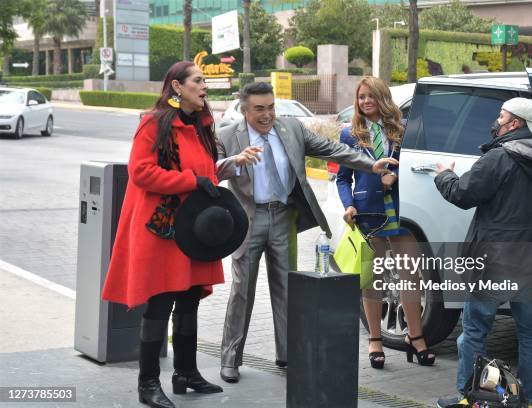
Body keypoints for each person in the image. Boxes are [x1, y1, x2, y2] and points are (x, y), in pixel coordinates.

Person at [216, 81, 398, 383]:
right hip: (249, 218)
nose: (267, 114)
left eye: (271, 107)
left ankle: (289, 354)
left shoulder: (291, 129)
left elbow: (334, 149)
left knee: (288, 289)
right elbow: (209, 169)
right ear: (245, 110)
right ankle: (230, 359)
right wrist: (234, 162)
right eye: (259, 109)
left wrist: (371, 165)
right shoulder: (227, 135)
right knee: (242, 290)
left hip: (283, 216)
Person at [102, 61, 227, 408]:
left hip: (194, 227)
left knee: (189, 299)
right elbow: (141, 172)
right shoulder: (154, 123)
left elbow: (206, 169)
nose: (204, 87)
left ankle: (186, 372)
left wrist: (213, 179)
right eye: (198, 81)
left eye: (204, 81)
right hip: (163, 226)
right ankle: (147, 384)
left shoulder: (201, 124)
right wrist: (192, 181)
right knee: (161, 302)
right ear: (177, 86)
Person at [434, 98, 532, 408]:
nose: (496, 121)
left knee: (475, 331)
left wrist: (444, 175)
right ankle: (531, 401)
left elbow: (461, 194)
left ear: (514, 124)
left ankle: (468, 397)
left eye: (501, 116)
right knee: (530, 335)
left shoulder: (498, 158)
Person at [336, 76, 435, 369]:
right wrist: (348, 205)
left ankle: (415, 337)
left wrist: (398, 176)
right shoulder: (349, 135)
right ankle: (375, 340)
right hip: (368, 211)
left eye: (371, 96)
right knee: (374, 278)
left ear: (383, 98)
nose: (365, 101)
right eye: (361, 97)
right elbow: (342, 178)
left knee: (410, 276)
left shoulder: (404, 132)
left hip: (402, 209)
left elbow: (419, 168)